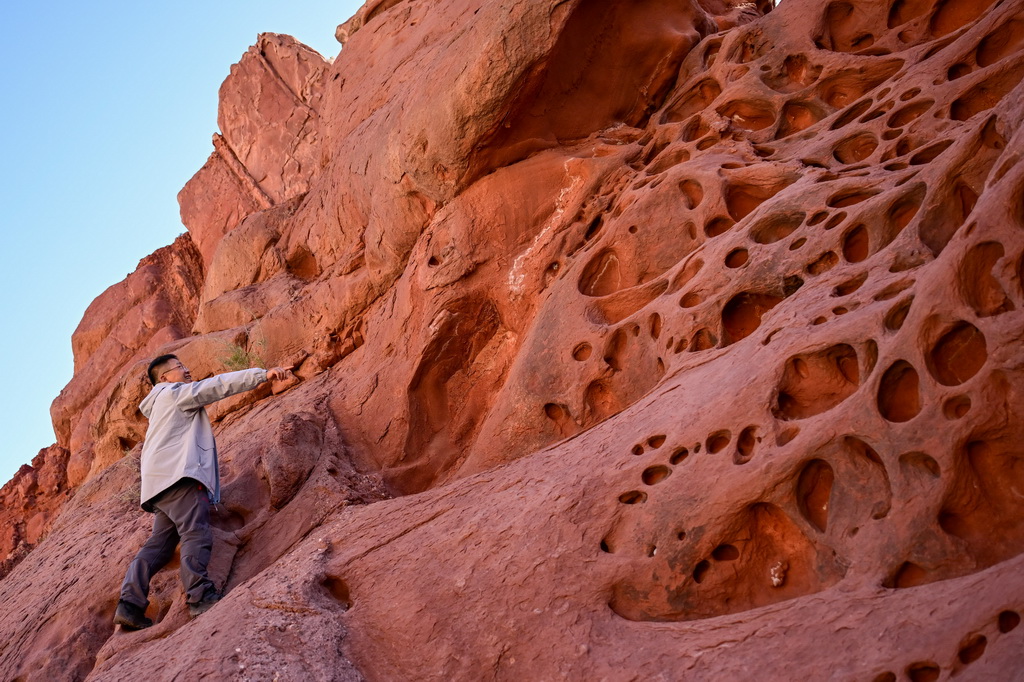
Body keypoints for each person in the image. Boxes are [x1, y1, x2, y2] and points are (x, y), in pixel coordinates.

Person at [113, 354, 293, 630]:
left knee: (158, 546)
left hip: (159, 485)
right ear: (164, 377)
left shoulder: (159, 406)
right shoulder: (173, 393)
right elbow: (216, 386)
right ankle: (199, 596)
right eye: (180, 367)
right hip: (180, 477)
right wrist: (261, 374)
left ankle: (129, 605)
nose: (187, 370)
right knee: (195, 533)